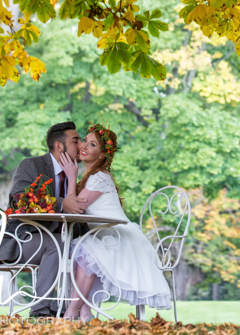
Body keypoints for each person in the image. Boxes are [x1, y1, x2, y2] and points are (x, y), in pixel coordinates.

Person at [62, 125, 172, 322]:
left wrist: (71, 176)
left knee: (85, 252)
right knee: (81, 250)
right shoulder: (90, 177)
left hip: (118, 237)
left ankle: (71, 312)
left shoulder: (99, 177)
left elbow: (74, 207)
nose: (84, 146)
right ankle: (85, 314)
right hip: (103, 236)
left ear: (103, 155)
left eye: (93, 144)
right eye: (85, 140)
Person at [0, 121, 88, 317]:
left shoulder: (73, 176)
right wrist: (61, 204)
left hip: (53, 243)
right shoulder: (31, 165)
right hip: (19, 240)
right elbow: (20, 199)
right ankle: (40, 312)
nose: (81, 145)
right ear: (59, 146)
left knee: (82, 249)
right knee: (56, 245)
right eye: (75, 140)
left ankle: (66, 309)